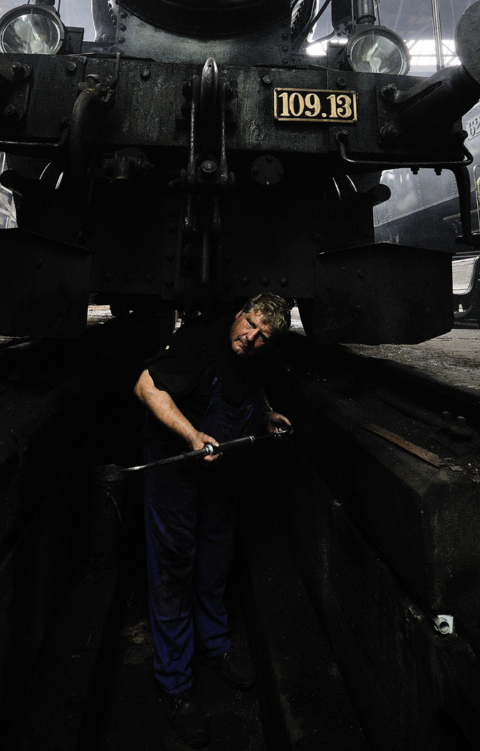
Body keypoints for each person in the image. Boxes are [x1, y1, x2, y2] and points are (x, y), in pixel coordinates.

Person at [133, 293, 292, 748]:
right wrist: (191, 434)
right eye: (250, 325)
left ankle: (214, 646)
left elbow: (250, 389)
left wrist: (266, 415)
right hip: (176, 469)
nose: (251, 338)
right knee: (174, 567)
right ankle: (175, 684)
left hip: (218, 473)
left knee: (216, 557)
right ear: (240, 313)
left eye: (263, 336)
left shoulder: (253, 355)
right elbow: (146, 387)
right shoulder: (201, 342)